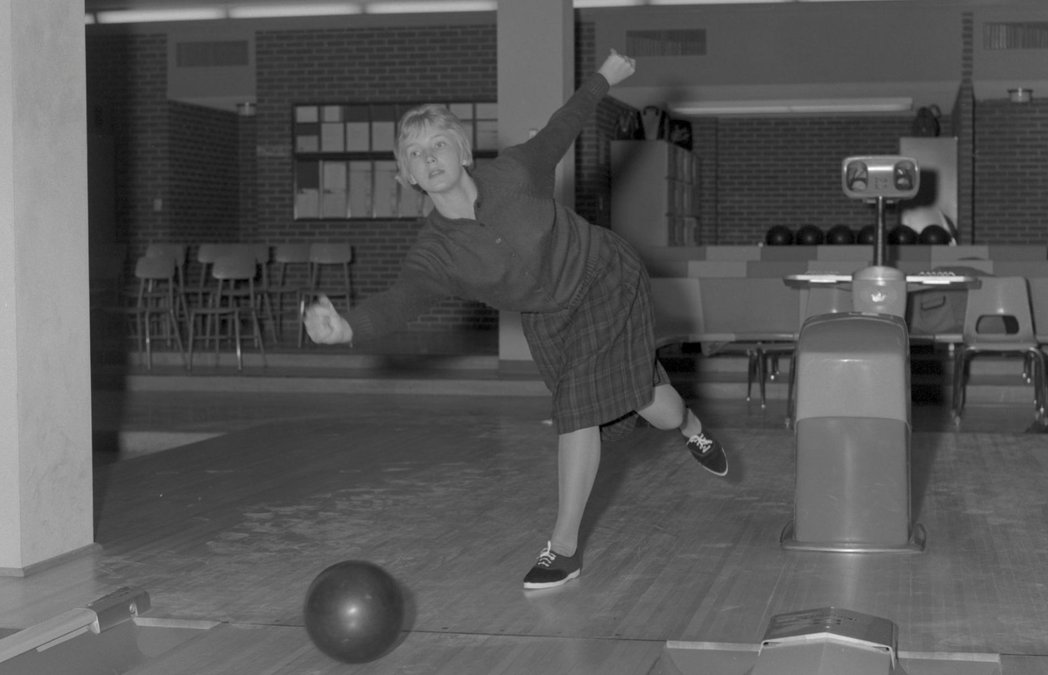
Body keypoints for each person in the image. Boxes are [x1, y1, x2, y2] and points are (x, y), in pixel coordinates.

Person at [302, 49, 729, 590]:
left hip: (606, 278)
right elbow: (401, 299)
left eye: (438, 144)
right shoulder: (435, 254)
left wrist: (603, 78)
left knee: (577, 408)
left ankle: (564, 548)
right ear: (406, 175)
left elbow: (562, 126)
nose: (429, 157)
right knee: (645, 399)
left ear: (460, 150)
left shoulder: (515, 171)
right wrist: (347, 329)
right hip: (550, 317)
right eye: (415, 153)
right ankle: (691, 427)